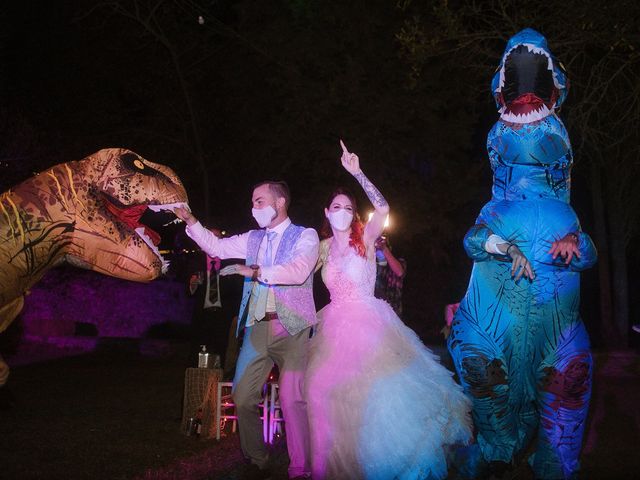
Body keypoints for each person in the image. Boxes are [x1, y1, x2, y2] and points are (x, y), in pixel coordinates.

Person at [447, 29, 597, 479]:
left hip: (556, 330)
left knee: (569, 379)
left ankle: (554, 461)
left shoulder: (566, 214)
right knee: (481, 366)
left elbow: (587, 253)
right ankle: (496, 449)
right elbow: (474, 240)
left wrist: (575, 244)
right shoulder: (494, 209)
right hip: (495, 326)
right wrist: (501, 244)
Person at [304, 141, 472, 480]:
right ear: (326, 212)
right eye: (336, 206)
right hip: (333, 326)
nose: (342, 211)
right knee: (324, 393)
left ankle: (387, 464)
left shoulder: (365, 239)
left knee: (379, 395)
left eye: (348, 207)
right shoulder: (320, 249)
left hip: (369, 322)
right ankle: (337, 465)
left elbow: (382, 208)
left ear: (353, 214)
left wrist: (358, 173)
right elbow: (298, 275)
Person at [174, 181, 319, 480]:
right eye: (253, 202)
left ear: (279, 203)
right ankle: (257, 460)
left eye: (259, 201)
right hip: (256, 327)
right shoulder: (253, 238)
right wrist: (191, 221)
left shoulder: (305, 235)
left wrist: (254, 272)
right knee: (242, 396)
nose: (254, 208)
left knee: (292, 399)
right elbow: (216, 246)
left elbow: (298, 271)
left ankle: (300, 469)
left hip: (291, 327)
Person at [373, 235, 406, 317]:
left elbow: (399, 272)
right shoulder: (372, 262)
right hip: (376, 311)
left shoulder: (400, 261)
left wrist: (384, 248)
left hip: (393, 310)